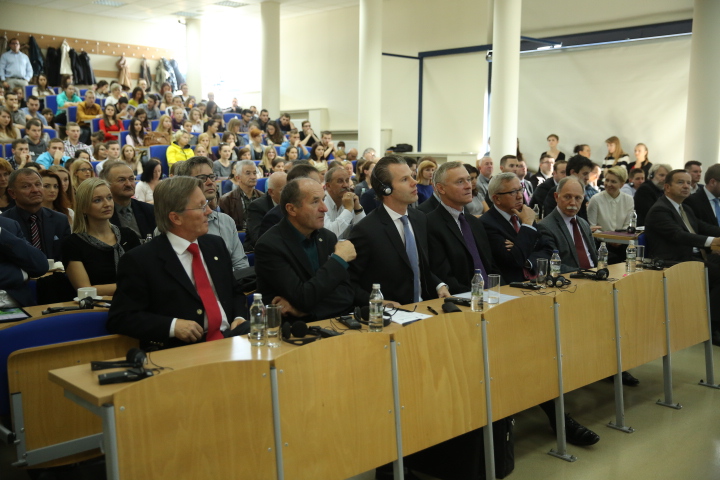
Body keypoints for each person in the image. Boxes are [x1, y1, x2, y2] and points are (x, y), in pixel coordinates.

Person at [107, 176, 250, 349]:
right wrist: (172, 326)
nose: (208, 211)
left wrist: (239, 318)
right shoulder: (141, 260)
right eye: (201, 206)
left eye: (206, 204)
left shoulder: (215, 245)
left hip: (230, 338)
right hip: (182, 349)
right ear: (176, 218)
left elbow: (234, 292)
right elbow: (121, 318)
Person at [348, 156, 450, 305]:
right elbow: (349, 282)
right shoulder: (366, 230)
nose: (414, 182)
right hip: (390, 314)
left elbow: (419, 266)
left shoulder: (420, 218)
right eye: (404, 179)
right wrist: (377, 302)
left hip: (423, 308)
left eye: (412, 176)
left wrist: (439, 285)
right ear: (386, 189)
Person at [255, 177, 357, 322]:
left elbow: (346, 294)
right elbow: (302, 298)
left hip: (330, 322)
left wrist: (303, 312)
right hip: (289, 329)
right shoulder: (269, 246)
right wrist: (338, 260)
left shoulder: (327, 237)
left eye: (323, 200)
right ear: (291, 209)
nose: (324, 208)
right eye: (315, 202)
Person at [645, 169, 720, 345]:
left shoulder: (684, 208)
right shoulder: (660, 210)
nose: (686, 186)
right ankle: (711, 327)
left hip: (692, 257)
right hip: (672, 261)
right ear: (667, 187)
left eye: (688, 183)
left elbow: (704, 227)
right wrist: (712, 242)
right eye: (680, 182)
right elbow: (678, 235)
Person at [424, 162, 498, 294]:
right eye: (460, 182)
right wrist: (478, 296)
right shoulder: (430, 224)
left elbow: (490, 265)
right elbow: (444, 276)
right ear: (441, 188)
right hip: (464, 297)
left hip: (492, 295)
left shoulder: (474, 222)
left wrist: (500, 290)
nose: (468, 186)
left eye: (468, 179)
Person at [62, 178, 140, 297]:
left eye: (109, 198)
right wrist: (130, 286)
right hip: (97, 305)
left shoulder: (128, 235)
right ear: (83, 207)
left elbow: (144, 275)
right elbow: (85, 290)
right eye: (97, 200)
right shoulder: (73, 244)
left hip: (135, 301)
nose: (107, 204)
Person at [175, 157, 249, 272]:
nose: (210, 182)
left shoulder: (226, 221)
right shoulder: (174, 224)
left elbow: (241, 266)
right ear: (185, 183)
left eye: (212, 177)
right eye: (202, 178)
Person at [480, 171, 552, 282]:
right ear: (497, 199)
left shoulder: (523, 214)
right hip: (511, 285)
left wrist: (525, 259)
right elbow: (514, 260)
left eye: (520, 189)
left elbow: (548, 250)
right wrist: (527, 224)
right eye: (513, 192)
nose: (520, 196)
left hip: (537, 279)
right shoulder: (487, 224)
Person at [2, 168, 71, 261]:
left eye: (38, 184)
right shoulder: (4, 223)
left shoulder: (60, 220)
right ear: (12, 193)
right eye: (26, 186)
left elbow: (68, 257)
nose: (35, 190)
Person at [537, 176, 597, 273]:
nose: (573, 203)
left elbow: (595, 257)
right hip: (571, 279)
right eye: (567, 197)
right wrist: (585, 274)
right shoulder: (546, 227)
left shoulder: (584, 224)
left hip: (595, 275)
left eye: (578, 198)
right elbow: (553, 265)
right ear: (556, 197)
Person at [587, 166, 634, 263]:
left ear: (622, 184)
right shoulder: (595, 199)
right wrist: (609, 239)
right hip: (601, 244)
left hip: (623, 243)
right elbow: (592, 227)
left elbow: (627, 225)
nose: (608, 184)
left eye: (613, 181)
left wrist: (619, 239)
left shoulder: (628, 199)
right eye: (607, 180)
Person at [0, 215, 49, 306]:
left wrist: (2, 234)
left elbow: (40, 266)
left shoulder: (9, 225)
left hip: (19, 305)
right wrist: (22, 274)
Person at [102, 160, 156, 238]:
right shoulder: (102, 213)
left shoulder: (149, 210)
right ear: (107, 184)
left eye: (131, 179)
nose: (128, 184)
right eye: (121, 180)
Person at [543, 155, 594, 221]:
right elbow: (551, 220)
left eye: (577, 198)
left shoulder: (581, 192)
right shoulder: (555, 191)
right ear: (572, 172)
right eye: (585, 174)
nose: (587, 178)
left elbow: (583, 220)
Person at [219, 159, 264, 230]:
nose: (253, 177)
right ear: (238, 178)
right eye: (248, 173)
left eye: (254, 173)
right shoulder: (226, 200)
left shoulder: (263, 197)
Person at [323, 166, 366, 240]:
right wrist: (348, 209)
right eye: (340, 181)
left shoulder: (349, 200)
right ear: (328, 186)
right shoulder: (321, 203)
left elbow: (364, 230)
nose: (345, 185)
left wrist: (357, 208)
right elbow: (329, 234)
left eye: (347, 181)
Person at [246, 171, 287, 248]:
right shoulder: (257, 206)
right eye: (284, 190)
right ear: (271, 192)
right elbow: (258, 239)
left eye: (290, 189)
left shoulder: (293, 203)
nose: (288, 194)